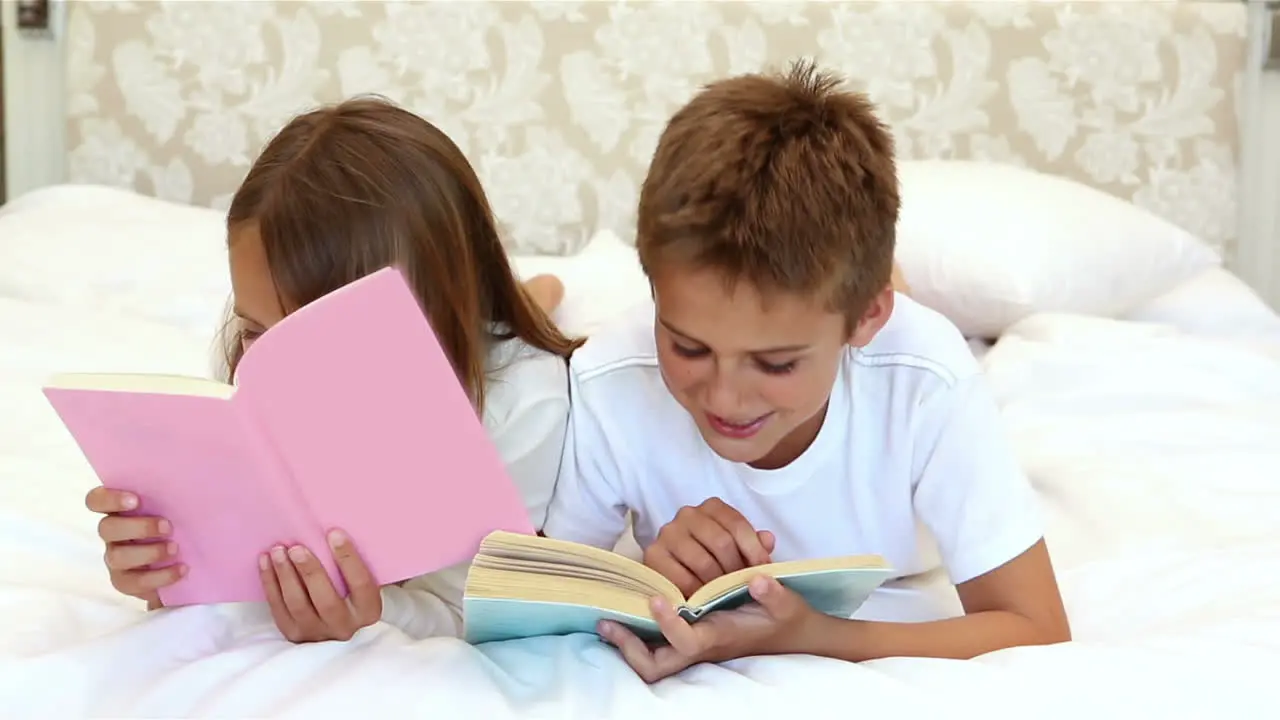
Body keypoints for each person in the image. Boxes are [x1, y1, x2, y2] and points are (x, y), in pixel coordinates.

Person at [541, 60, 1071, 682]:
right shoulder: (611, 375)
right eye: (688, 348)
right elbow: (546, 601)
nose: (725, 397)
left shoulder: (924, 378)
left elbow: (1035, 627)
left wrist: (817, 635)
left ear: (866, 318)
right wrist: (647, 589)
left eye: (774, 363)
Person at [83, 96, 582, 643]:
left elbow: (476, 608)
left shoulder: (524, 408)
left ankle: (538, 295)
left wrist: (375, 614)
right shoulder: (254, 371)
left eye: (306, 349)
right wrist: (167, 567)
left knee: (522, 318)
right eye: (256, 332)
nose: (265, 369)